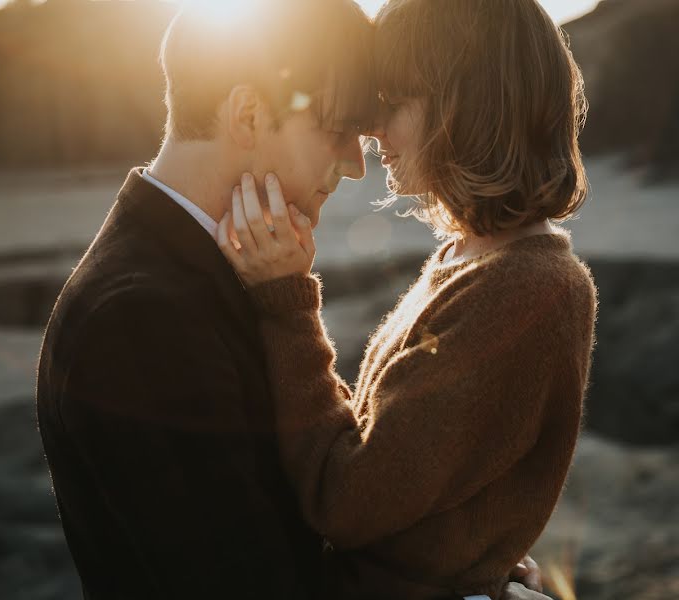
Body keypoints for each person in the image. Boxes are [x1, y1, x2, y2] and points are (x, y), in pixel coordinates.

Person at [36, 0, 548, 598]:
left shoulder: (215, 269)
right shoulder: (138, 319)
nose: (358, 165)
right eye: (337, 131)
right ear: (249, 115)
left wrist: (445, 562)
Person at [215, 0, 598, 598]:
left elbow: (347, 499)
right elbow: (403, 455)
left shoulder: (525, 289)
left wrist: (287, 302)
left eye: (393, 100)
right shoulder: (474, 258)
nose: (369, 128)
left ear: (465, 105)